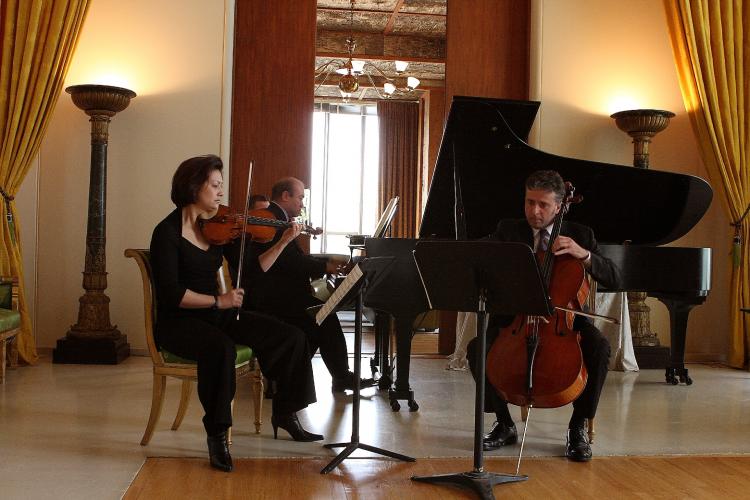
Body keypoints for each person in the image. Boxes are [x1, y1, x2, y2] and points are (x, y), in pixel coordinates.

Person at [149, 155, 322, 473]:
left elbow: (254, 273)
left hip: (217, 313)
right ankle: (217, 436)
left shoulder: (219, 228)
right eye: (214, 186)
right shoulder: (167, 233)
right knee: (221, 349)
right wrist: (220, 302)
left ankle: (285, 411)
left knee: (291, 336)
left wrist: (284, 240)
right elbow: (172, 294)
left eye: (220, 186)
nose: (220, 193)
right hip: (179, 321)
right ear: (192, 187)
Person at [467, 169, 619, 462]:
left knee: (600, 348)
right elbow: (480, 261)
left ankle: (577, 429)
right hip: (515, 318)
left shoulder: (581, 234)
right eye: (529, 202)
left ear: (560, 206)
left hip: (566, 320)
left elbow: (615, 277)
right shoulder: (508, 230)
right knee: (478, 349)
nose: (534, 211)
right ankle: (504, 423)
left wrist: (583, 255)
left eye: (543, 205)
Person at [225, 176, 373, 393]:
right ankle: (325, 376)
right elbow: (289, 261)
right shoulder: (272, 218)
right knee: (324, 317)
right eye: (300, 197)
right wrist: (326, 266)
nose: (302, 203)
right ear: (285, 196)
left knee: (320, 321)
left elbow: (290, 260)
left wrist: (324, 265)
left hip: (279, 294)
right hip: (269, 299)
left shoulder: (280, 219)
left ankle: (291, 376)